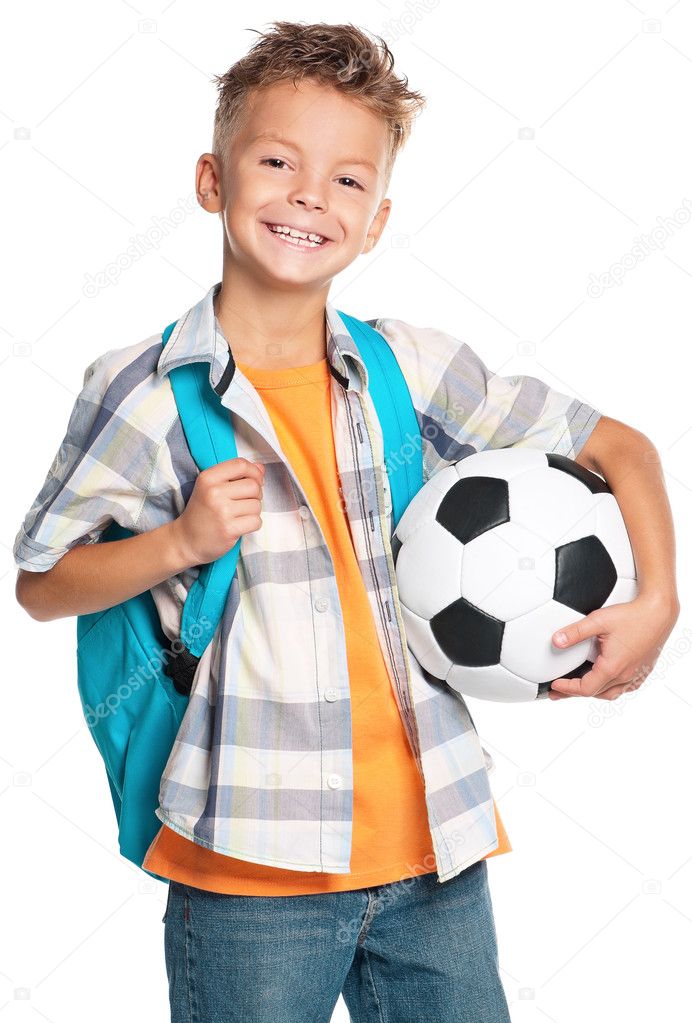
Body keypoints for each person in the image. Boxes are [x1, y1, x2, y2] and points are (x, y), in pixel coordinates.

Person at [13, 20, 679, 1023]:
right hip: (246, 872)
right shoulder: (144, 392)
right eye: (276, 161)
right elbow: (39, 582)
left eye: (347, 180)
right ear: (211, 178)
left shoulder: (410, 368)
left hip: (434, 854)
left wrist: (658, 602)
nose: (309, 195)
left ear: (374, 220)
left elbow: (619, 448)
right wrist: (177, 544)